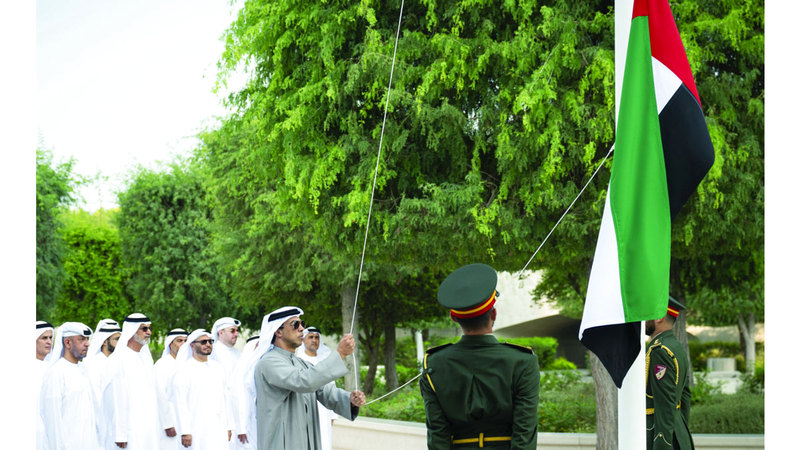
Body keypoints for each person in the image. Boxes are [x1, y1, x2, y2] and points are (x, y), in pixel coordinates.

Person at [420, 263, 540, 449]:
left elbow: (438, 435)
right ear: (494, 313)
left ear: (454, 318)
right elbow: (525, 434)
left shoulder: (434, 363)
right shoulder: (523, 361)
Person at [253, 306, 366, 450]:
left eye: (302, 324)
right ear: (278, 331)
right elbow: (304, 381)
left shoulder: (302, 364)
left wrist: (350, 400)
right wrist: (340, 354)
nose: (301, 329)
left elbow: (325, 391)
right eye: (295, 324)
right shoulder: (268, 362)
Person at [106, 313, 175, 449]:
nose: (148, 332)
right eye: (144, 329)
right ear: (131, 331)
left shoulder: (146, 358)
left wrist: (167, 422)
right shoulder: (119, 359)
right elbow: (117, 397)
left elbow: (157, 392)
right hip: (131, 427)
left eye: (149, 328)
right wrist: (121, 434)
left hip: (150, 425)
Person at [39, 322, 103, 449]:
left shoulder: (83, 370)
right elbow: (53, 423)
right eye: (81, 339)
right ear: (67, 343)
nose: (87, 343)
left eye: (87, 339)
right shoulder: (56, 373)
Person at [645, 297, 693, 450]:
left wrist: (663, 443)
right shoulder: (675, 346)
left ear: (659, 317)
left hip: (660, 436)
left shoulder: (659, 351)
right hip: (677, 432)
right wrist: (680, 429)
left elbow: (665, 402)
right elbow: (685, 395)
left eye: (647, 314)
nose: (643, 319)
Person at [172, 329, 232, 449]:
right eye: (203, 342)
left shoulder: (218, 368)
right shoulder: (184, 370)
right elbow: (180, 403)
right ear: (192, 345)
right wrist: (185, 431)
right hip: (196, 428)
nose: (208, 345)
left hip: (218, 427)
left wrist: (229, 426)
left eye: (210, 341)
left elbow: (226, 399)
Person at [83, 319, 122, 448]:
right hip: (102, 426)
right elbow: (96, 400)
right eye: (116, 339)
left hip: (118, 425)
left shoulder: (118, 363)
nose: (120, 343)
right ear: (104, 341)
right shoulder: (94, 364)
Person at [296, 326, 336, 450]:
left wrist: (332, 414)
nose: (314, 340)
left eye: (317, 337)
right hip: (304, 409)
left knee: (324, 440)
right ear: (304, 340)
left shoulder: (324, 360)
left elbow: (331, 387)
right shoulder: (298, 360)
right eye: (311, 337)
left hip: (324, 410)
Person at [154, 328, 188, 450]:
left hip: (188, 421)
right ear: (170, 344)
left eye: (186, 341)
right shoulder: (162, 365)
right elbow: (160, 396)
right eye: (179, 341)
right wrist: (168, 424)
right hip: (171, 421)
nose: (184, 344)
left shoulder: (190, 364)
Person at [209, 317, 241, 449]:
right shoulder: (212, 352)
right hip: (221, 408)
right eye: (232, 330)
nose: (236, 334)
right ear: (220, 333)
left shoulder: (238, 354)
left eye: (237, 331)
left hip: (238, 407)